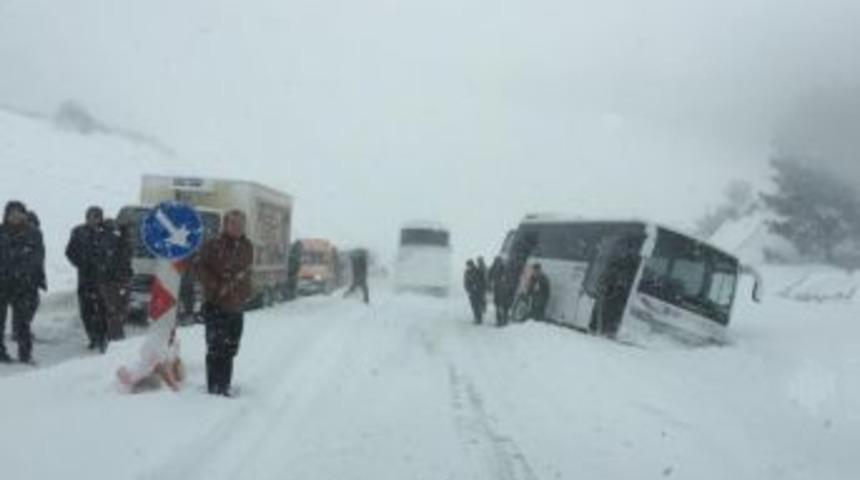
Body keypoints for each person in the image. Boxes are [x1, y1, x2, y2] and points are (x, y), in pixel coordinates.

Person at [195, 210, 254, 397]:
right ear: (225, 225)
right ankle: (214, 388)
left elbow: (247, 272)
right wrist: (215, 285)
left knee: (231, 348)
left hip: (236, 307)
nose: (237, 227)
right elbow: (199, 267)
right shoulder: (213, 245)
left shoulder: (247, 246)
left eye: (240, 224)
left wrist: (246, 292)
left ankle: (225, 385)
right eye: (233, 223)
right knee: (215, 348)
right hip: (216, 304)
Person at [0, 201, 45, 363]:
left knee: (22, 322)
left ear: (24, 215)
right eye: (11, 213)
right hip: (2, 283)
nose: (15, 216)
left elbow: (38, 256)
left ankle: (25, 354)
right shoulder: (1, 232)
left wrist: (25, 272)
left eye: (18, 213)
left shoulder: (33, 233)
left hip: (24, 284)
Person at [66, 206, 110, 352]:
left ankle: (104, 337)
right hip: (85, 278)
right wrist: (81, 263)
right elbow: (69, 252)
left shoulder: (108, 233)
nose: (93, 220)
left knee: (103, 310)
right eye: (90, 217)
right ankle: (93, 337)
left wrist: (105, 264)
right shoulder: (78, 232)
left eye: (96, 217)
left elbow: (115, 251)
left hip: (104, 279)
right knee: (86, 311)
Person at [99, 219, 132, 340]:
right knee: (118, 309)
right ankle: (116, 336)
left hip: (110, 281)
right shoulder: (117, 240)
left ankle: (115, 335)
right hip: (116, 280)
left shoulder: (106, 240)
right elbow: (123, 258)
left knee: (113, 310)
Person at [463, 260, 486, 324]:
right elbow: (465, 282)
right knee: (473, 306)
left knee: (478, 305)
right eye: (467, 265)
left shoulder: (478, 271)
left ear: (472, 265)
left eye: (469, 265)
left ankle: (479, 319)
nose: (468, 267)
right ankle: (476, 317)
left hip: (479, 292)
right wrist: (468, 289)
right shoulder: (467, 272)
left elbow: (483, 281)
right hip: (471, 292)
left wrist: (479, 286)